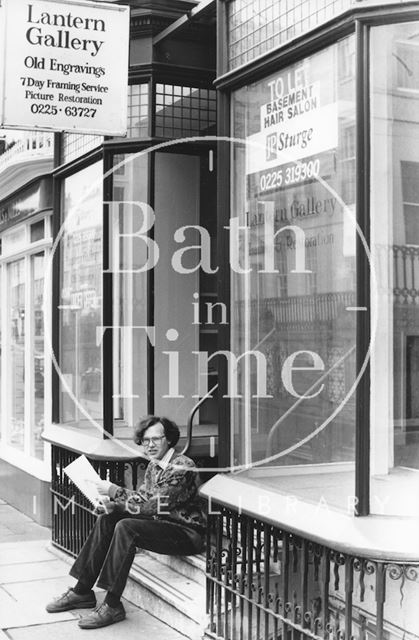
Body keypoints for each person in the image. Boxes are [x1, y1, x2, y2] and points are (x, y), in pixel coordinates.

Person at [46, 416, 206, 629]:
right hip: (162, 525)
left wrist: (114, 491)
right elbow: (141, 499)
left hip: (186, 534)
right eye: (146, 440)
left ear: (169, 439)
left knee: (126, 527)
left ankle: (112, 605)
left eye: (156, 439)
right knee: (108, 517)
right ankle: (82, 591)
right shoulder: (154, 466)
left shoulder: (183, 466)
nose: (150, 445)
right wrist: (114, 504)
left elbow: (153, 506)